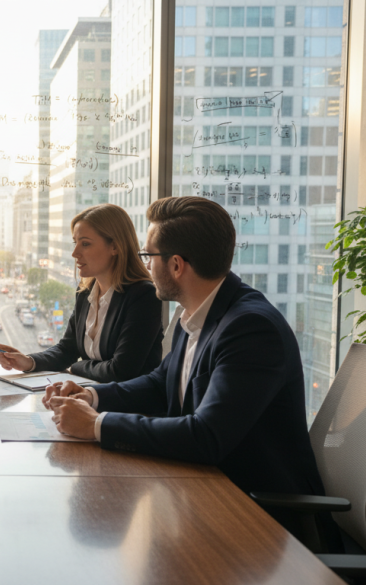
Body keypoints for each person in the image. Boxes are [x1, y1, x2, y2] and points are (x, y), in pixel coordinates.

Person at [45, 197, 325, 532]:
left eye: (149, 256)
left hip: (256, 514)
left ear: (176, 265)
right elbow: (160, 382)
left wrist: (96, 425)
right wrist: (91, 397)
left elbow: (206, 436)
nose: (145, 266)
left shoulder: (251, 328)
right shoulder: (193, 311)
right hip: (201, 487)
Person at [0, 203, 163, 383]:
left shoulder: (144, 296)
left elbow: (121, 370)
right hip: (89, 397)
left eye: (85, 244)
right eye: (76, 243)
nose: (75, 253)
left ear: (115, 247)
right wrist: (29, 362)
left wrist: (76, 368)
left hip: (126, 406)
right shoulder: (85, 292)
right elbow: (68, 349)